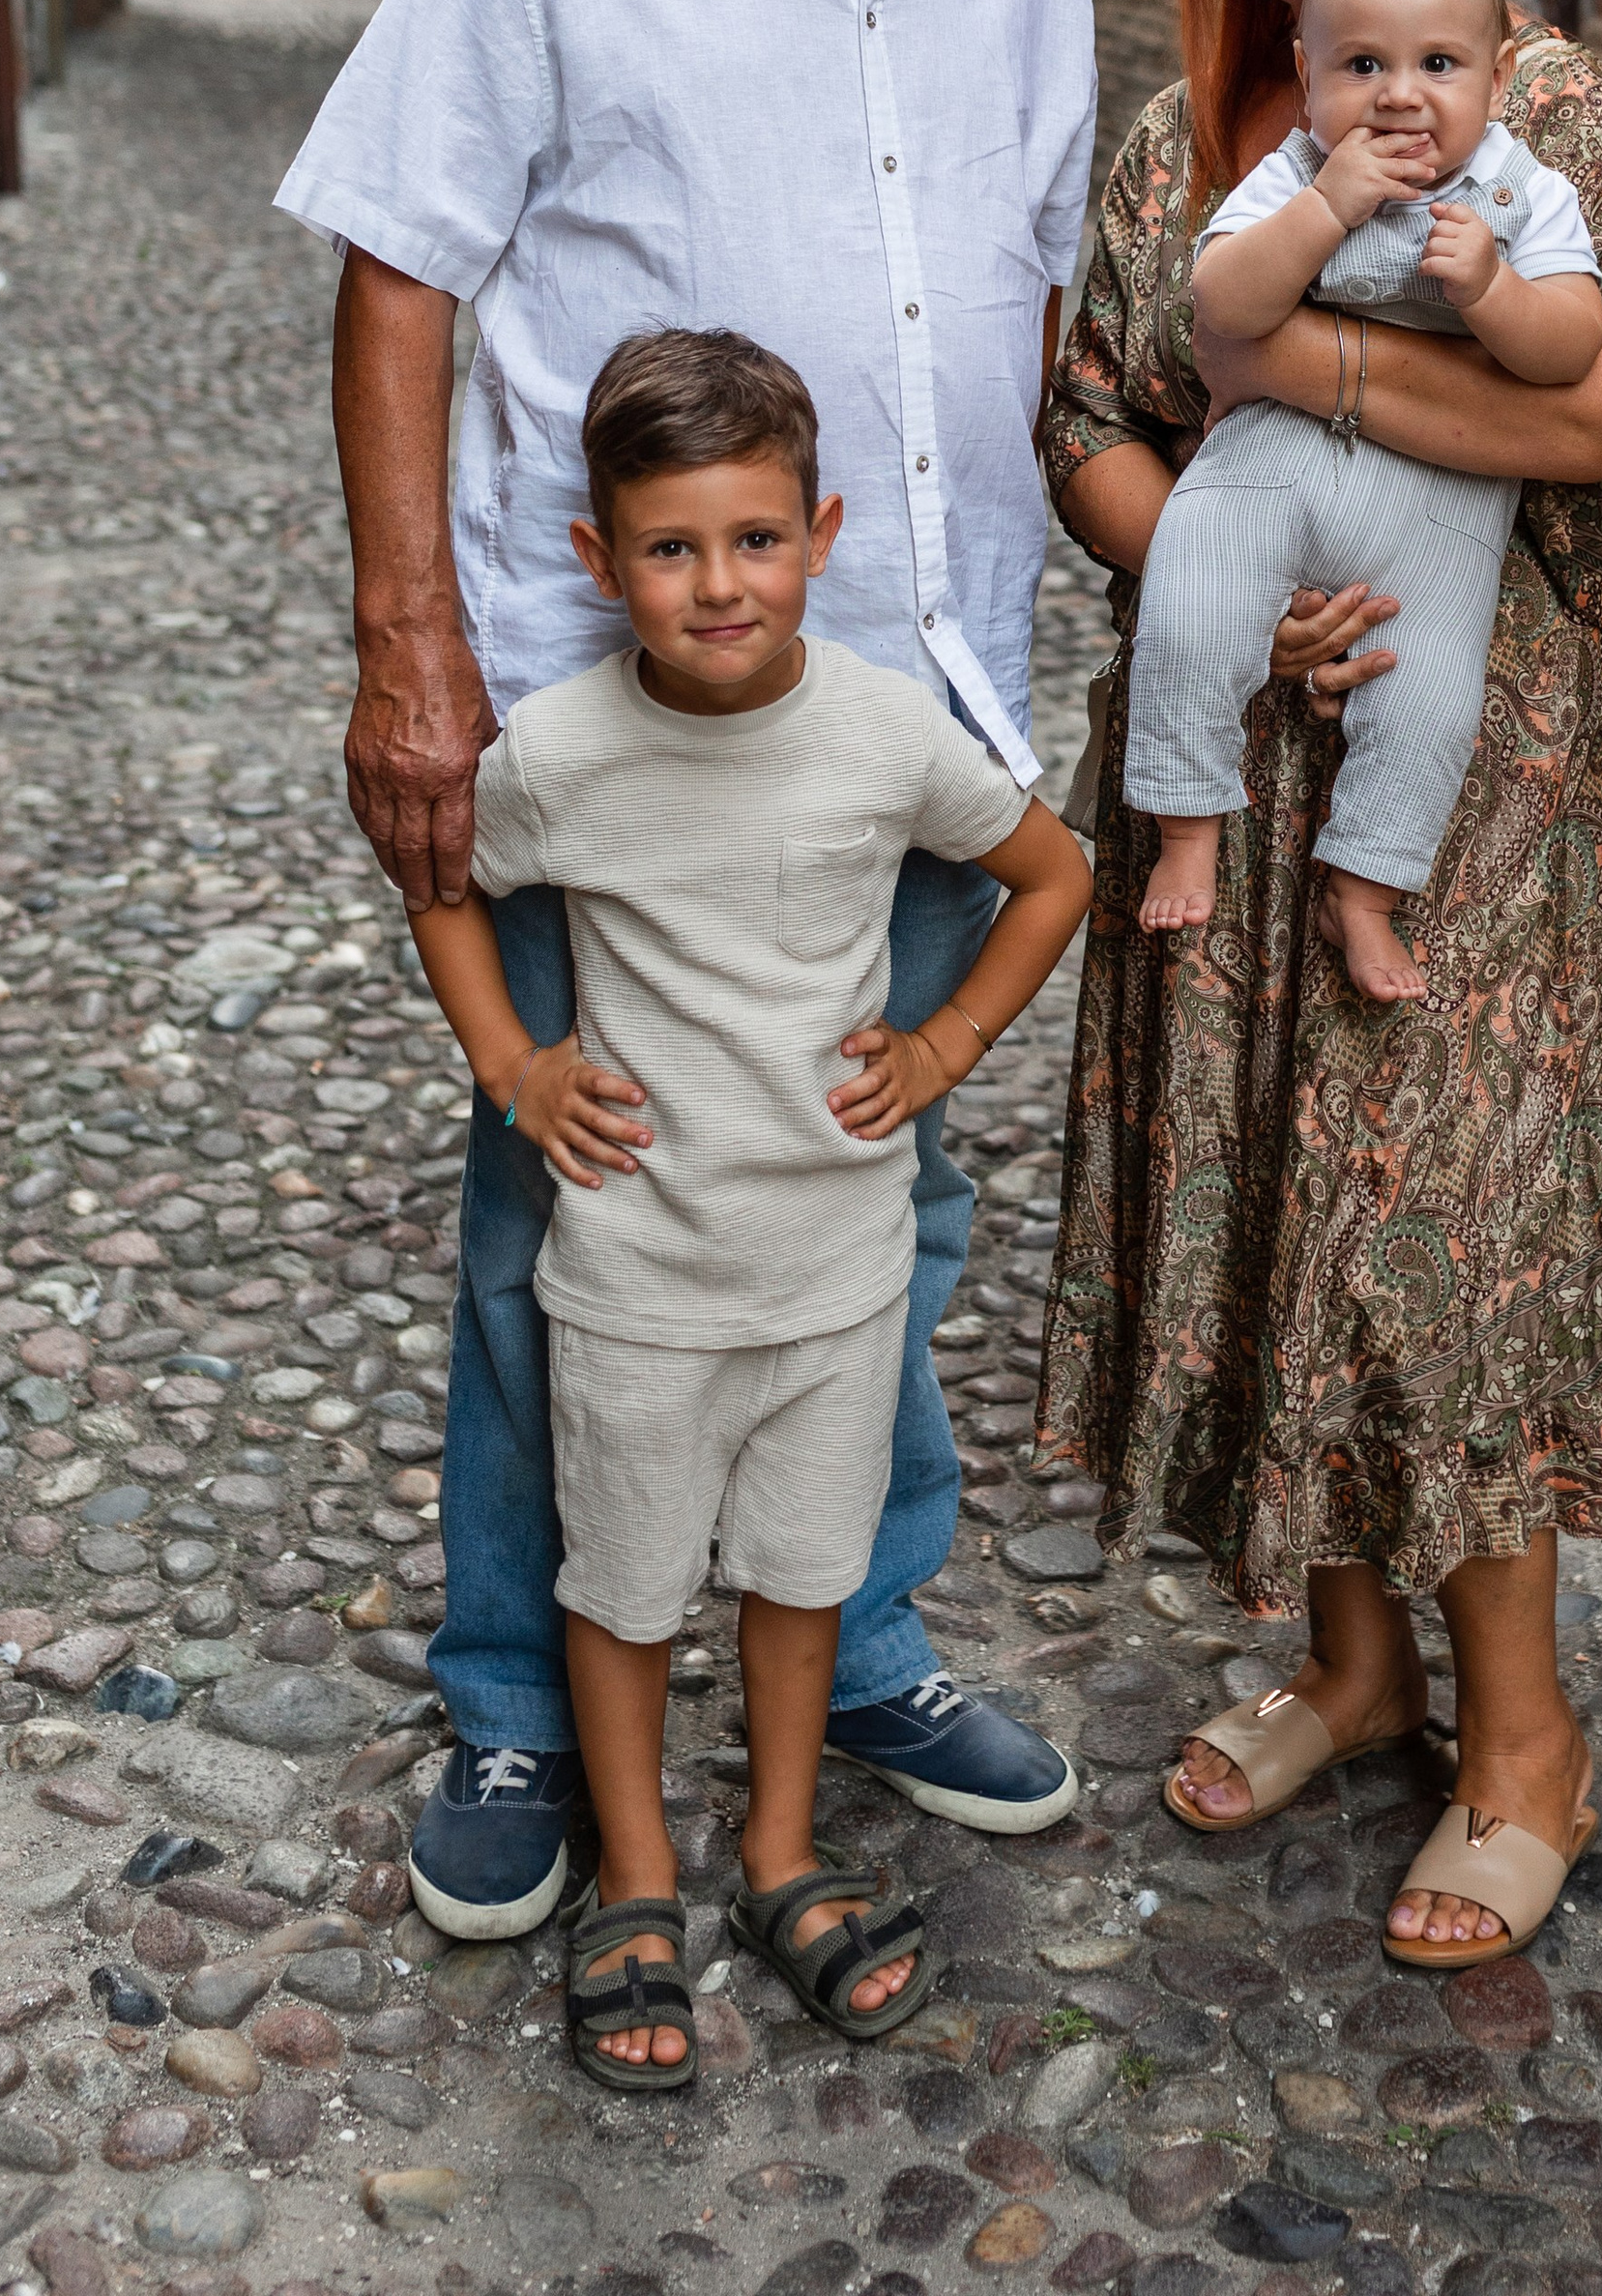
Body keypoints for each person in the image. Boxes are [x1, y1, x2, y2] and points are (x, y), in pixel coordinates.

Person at [277, 0, 1097, 1942]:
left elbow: (1028, 294)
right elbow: (402, 267)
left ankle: (846, 1635)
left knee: (890, 1192)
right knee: (572, 1221)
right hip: (611, 712)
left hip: (906, 711)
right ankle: (522, 1699)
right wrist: (415, 652)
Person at [1039, 0, 1602, 1968]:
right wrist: (1207, 581)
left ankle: (1519, 1731)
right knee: (1275, 1193)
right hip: (1241, 739)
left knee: (1444, 1212)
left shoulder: (1523, 103)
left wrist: (1315, 366)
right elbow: (1087, 417)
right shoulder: (1176, 142)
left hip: (1487, 756)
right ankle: (1351, 1664)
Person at [409, 329, 1091, 2082]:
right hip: (636, 1278)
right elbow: (447, 885)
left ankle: (782, 1850)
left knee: (804, 1575)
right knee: (623, 1585)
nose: (720, 584)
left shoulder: (883, 734)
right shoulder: (561, 754)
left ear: (825, 530)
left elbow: (1051, 870)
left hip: (838, 1277)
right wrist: (518, 1066)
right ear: (598, 559)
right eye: (670, 548)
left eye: (757, 540)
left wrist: (945, 1043)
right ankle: (636, 1870)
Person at [1128, 0, 1602, 999]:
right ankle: (1187, 820)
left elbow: (1571, 349)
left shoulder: (1525, 195)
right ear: (1308, 73)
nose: (1399, 96)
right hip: (1269, 465)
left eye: (1438, 64)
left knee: (1430, 704)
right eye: (1361, 67)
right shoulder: (1296, 173)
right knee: (1189, 602)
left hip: (1437, 509)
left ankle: (1366, 892)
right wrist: (1325, 211)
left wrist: (1490, 289)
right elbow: (1224, 305)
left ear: (1496, 76)